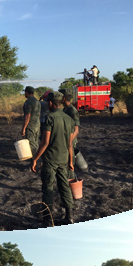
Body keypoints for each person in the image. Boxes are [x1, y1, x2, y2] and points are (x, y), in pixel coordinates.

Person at [31, 91, 77, 226]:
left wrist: (35, 159)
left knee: (48, 187)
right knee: (64, 187)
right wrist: (71, 162)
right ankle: (69, 217)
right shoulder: (69, 119)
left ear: (51, 103)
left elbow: (45, 142)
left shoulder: (49, 118)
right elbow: (70, 143)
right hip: (64, 159)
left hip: (50, 160)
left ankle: (47, 219)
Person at [62, 93, 82, 180]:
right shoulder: (65, 109)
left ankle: (72, 183)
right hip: (65, 141)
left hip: (70, 141)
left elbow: (76, 130)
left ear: (63, 98)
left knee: (70, 164)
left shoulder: (72, 111)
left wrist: (68, 141)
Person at [22, 86, 42, 156]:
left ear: (27, 92)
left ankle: (34, 162)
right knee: (35, 143)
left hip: (30, 126)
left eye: (25, 92)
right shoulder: (37, 101)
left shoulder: (29, 102)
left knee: (31, 144)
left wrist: (24, 128)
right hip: (37, 125)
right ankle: (36, 160)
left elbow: (28, 116)